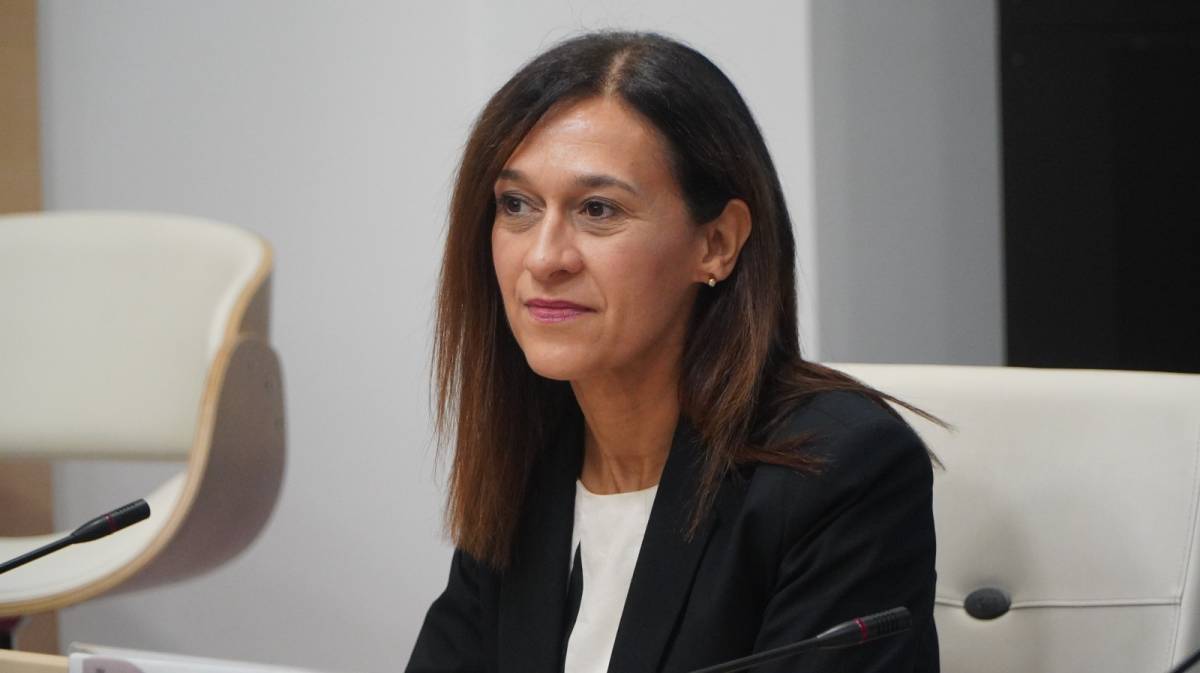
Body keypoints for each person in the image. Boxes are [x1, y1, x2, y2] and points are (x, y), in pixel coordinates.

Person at [408, 31, 939, 673]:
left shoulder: (841, 471)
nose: (544, 258)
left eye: (598, 209)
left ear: (716, 244)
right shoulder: (532, 458)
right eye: (516, 205)